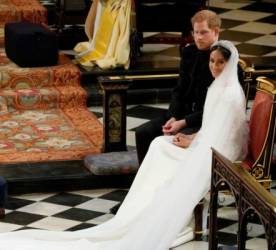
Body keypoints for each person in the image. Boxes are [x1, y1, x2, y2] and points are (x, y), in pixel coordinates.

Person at [0, 41, 248, 250]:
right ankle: (137, 210)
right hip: (208, 142)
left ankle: (154, 213)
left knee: (162, 150)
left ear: (230, 64)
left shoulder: (229, 93)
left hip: (219, 153)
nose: (214, 66)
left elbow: (222, 135)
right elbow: (210, 127)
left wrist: (192, 144)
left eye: (220, 62)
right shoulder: (217, 87)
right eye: (212, 61)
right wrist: (191, 139)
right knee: (160, 145)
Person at [135, 9, 220, 164]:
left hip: (203, 122)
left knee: (169, 143)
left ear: (215, 32)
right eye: (195, 32)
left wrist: (183, 122)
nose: (198, 37)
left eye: (204, 33)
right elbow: (179, 89)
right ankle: (147, 181)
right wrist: (174, 115)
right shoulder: (189, 52)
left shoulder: (221, 60)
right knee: (143, 133)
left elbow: (216, 108)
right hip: (180, 115)